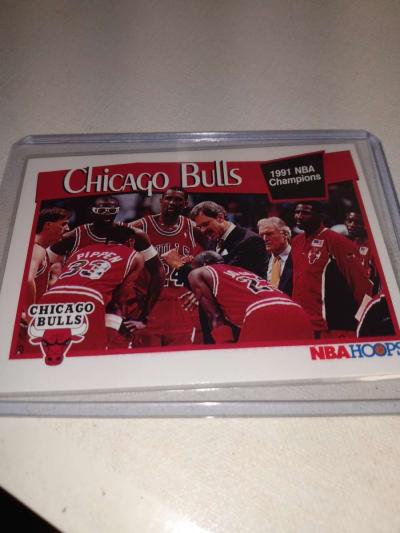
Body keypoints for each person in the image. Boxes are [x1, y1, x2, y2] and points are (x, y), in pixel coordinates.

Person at [26, 225, 146, 365]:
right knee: (89, 359)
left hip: (51, 296)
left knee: (41, 356)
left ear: (107, 240)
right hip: (88, 298)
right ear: (131, 241)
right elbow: (121, 297)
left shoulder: (81, 251)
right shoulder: (135, 255)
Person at [49, 195, 164, 324]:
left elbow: (158, 271)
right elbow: (43, 262)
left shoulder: (133, 235)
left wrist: (145, 313)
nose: (107, 215)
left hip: (119, 304)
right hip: (79, 301)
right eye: (102, 210)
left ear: (118, 211)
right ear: (92, 210)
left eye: (111, 211)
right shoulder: (75, 236)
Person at [128, 187, 204, 346]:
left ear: (185, 204)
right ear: (161, 201)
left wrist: (200, 290)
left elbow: (213, 259)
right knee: (146, 357)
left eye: (178, 200)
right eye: (168, 198)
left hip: (180, 305)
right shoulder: (140, 226)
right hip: (147, 303)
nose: (172, 203)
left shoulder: (194, 229)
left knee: (179, 358)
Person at [187, 251, 313, 343]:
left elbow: (214, 316)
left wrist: (225, 349)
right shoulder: (242, 271)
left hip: (262, 311)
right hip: (297, 311)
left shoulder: (198, 273)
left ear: (203, 264)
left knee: (248, 368)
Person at [291, 202, 373, 338]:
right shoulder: (296, 242)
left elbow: (361, 283)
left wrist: (364, 318)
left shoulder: (337, 241)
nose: (299, 216)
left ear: (320, 216)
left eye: (305, 213)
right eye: (297, 212)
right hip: (302, 321)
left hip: (330, 326)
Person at [26, 208, 70, 310]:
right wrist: (31, 313)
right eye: (64, 224)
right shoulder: (37, 249)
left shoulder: (38, 248)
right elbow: (27, 280)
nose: (68, 229)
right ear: (48, 225)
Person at [257, 217, 293, 296]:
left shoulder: (298, 258)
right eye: (262, 235)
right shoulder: (261, 261)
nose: (264, 239)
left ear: (285, 235)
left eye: (269, 234)